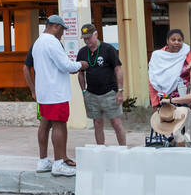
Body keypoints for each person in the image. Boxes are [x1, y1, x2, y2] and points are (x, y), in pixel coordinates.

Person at [21, 14, 88, 176]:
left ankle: (43, 161)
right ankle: (58, 163)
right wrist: (80, 65)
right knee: (60, 124)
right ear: (55, 27)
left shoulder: (37, 43)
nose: (62, 34)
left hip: (44, 92)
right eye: (62, 30)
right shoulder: (52, 42)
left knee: (45, 124)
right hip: (56, 92)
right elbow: (65, 65)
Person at [76, 23, 125, 146]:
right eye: (85, 39)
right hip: (91, 94)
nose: (87, 41)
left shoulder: (108, 49)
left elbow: (118, 69)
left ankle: (123, 149)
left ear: (96, 34)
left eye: (89, 38)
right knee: (97, 123)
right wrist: (83, 91)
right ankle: (100, 149)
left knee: (116, 123)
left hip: (110, 93)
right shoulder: (82, 52)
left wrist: (120, 90)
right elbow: (80, 73)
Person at [145, 28, 191, 147]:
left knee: (181, 132)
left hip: (182, 99)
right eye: (173, 39)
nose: (176, 42)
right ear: (167, 41)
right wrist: (155, 104)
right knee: (167, 130)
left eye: (179, 40)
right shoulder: (158, 56)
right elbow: (153, 81)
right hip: (164, 100)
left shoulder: (187, 54)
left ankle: (179, 150)